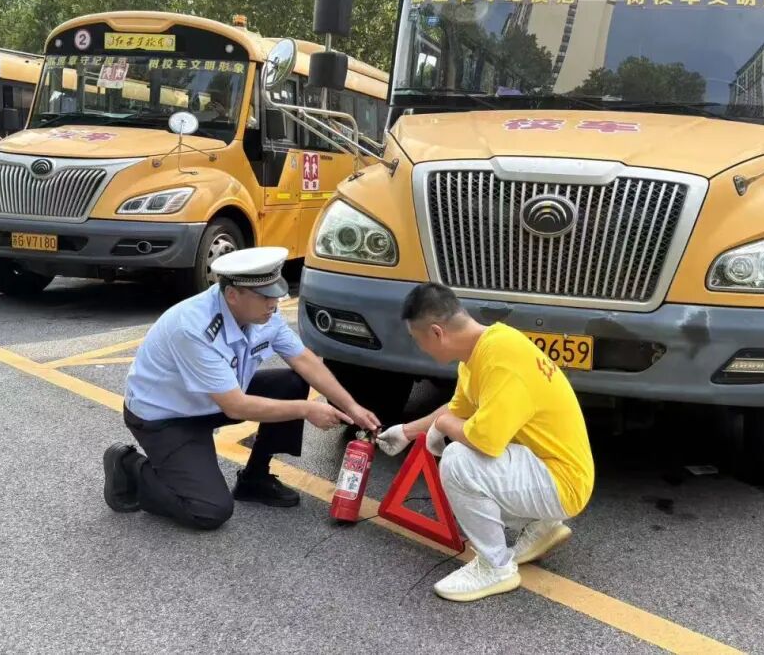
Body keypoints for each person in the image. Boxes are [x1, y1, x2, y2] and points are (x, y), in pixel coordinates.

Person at [103, 246, 380, 530]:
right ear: (233, 295)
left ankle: (255, 479)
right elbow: (235, 406)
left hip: (214, 399)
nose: (274, 303)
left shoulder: (263, 315)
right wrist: (307, 409)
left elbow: (304, 360)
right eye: (265, 296)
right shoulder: (192, 328)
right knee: (209, 510)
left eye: (275, 294)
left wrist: (351, 406)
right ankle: (128, 466)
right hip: (167, 418)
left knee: (291, 382)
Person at [376, 283, 594, 602]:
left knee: (459, 461)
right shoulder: (481, 352)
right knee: (463, 453)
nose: (420, 348)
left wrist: (443, 426)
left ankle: (495, 567)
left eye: (418, 339)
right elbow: (456, 410)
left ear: (436, 333)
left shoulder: (500, 358)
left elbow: (485, 441)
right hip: (551, 469)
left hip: (563, 483)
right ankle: (542, 525)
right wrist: (406, 432)